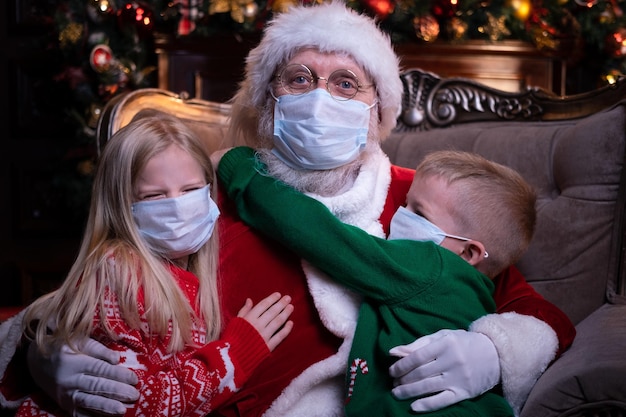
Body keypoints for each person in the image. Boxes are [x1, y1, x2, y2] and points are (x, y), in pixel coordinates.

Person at [0, 2, 575, 417]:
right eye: (298, 78)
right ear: (268, 102)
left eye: (346, 83)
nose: (320, 95)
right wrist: (42, 353)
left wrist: (493, 352)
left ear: (378, 112)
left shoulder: (420, 202)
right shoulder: (204, 198)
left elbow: (533, 309)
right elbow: (95, 288)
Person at [8, 111, 294, 417]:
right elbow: (131, 404)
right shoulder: (119, 270)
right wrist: (235, 354)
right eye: (154, 196)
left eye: (190, 191)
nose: (177, 206)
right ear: (121, 206)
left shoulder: (188, 266)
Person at [215, 146, 536, 416]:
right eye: (405, 202)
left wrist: (239, 167)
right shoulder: (473, 292)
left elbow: (321, 236)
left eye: (419, 214)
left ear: (468, 253)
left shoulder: (431, 266)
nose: (399, 213)